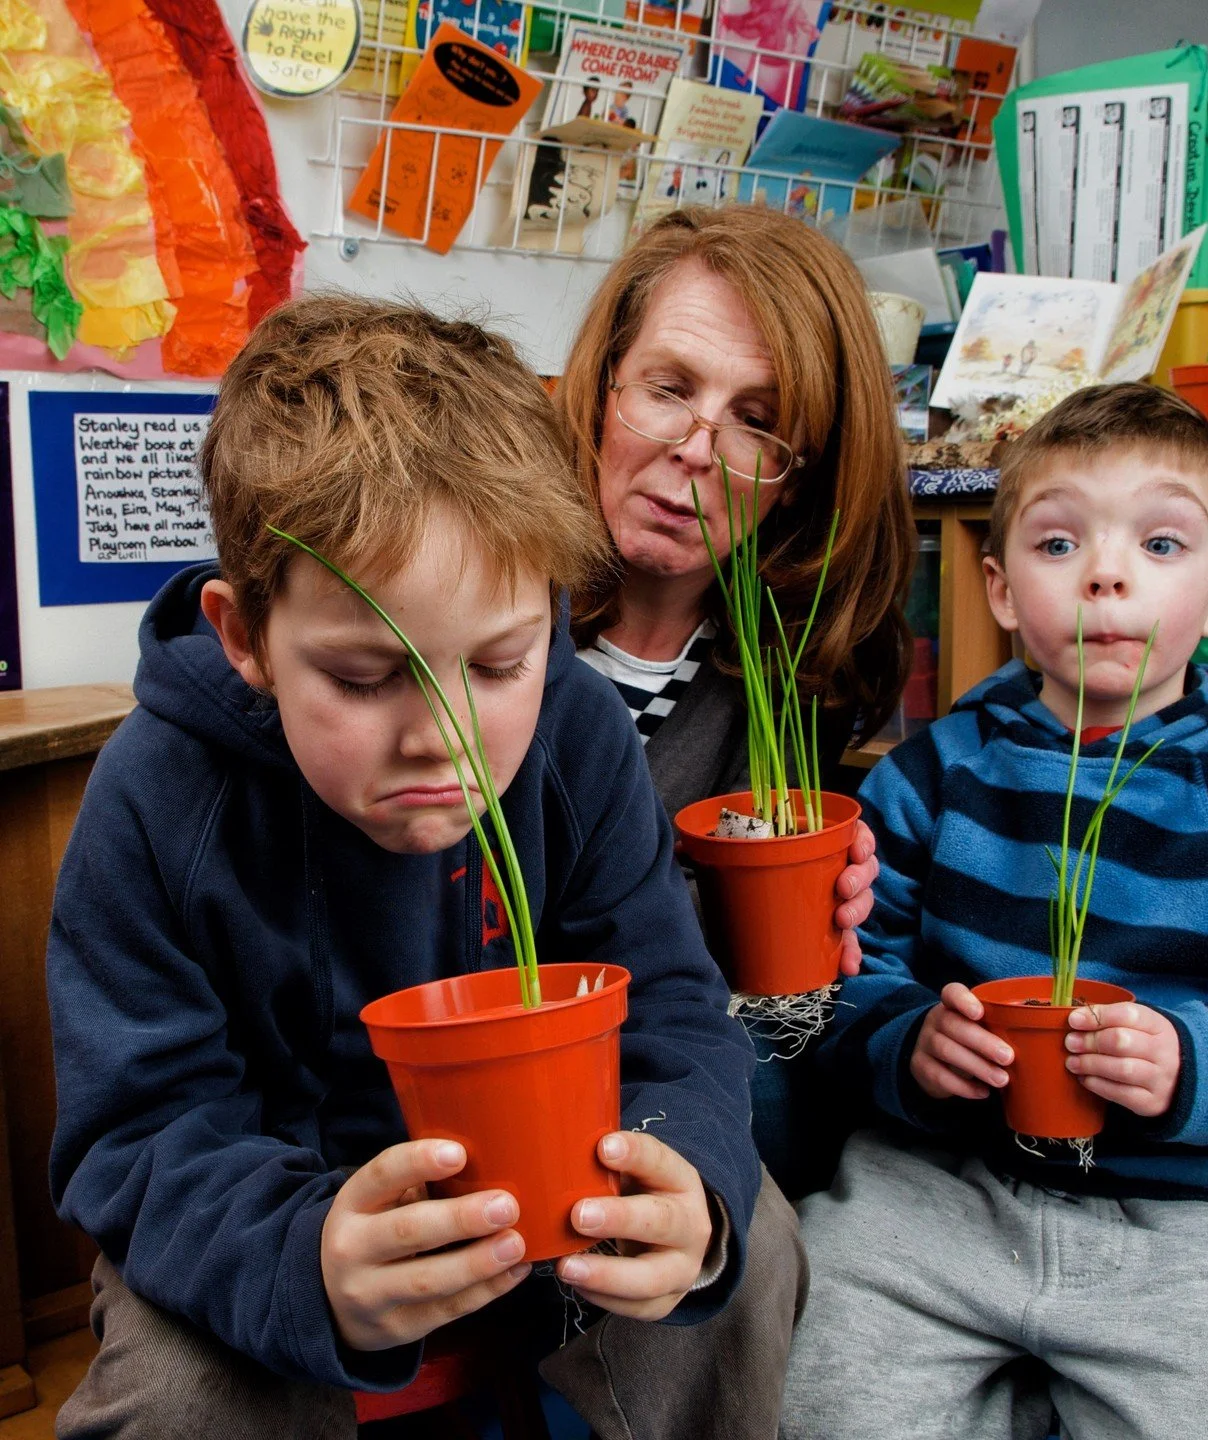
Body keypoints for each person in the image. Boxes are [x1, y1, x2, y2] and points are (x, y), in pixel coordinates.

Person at [48, 297, 806, 1440]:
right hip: (270, 1239)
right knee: (176, 1400)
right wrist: (310, 1261)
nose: (442, 737)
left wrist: (686, 1174)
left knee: (752, 1249)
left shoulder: (577, 736)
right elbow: (139, 1131)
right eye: (363, 679)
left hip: (551, 1204)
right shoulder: (155, 795)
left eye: (500, 664)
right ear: (245, 636)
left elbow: (672, 1007)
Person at [781, 382, 1208, 1439]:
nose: (1107, 574)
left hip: (1198, 1224)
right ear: (998, 588)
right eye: (1059, 542)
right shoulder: (929, 777)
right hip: (938, 1195)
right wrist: (909, 1044)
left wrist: (1192, 1065)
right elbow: (836, 981)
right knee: (821, 1375)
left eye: (1161, 544)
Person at [556, 204, 916, 1193]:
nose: (697, 447)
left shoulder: (795, 670)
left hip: (683, 1093)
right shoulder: (479, 618)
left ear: (802, 478)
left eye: (758, 421)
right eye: (668, 388)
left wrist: (818, 913)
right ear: (602, 388)